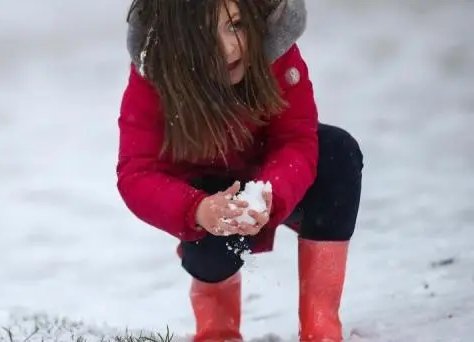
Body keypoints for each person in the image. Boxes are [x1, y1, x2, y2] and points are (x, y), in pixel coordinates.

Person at [116, 0, 363, 341]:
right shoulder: (155, 76)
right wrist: (197, 210)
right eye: (205, 35)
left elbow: (296, 139)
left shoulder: (275, 52)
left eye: (236, 25)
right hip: (203, 196)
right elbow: (137, 173)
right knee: (213, 242)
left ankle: (320, 324)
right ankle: (217, 328)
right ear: (178, 39)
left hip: (269, 176)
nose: (229, 47)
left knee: (337, 152)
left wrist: (270, 193)